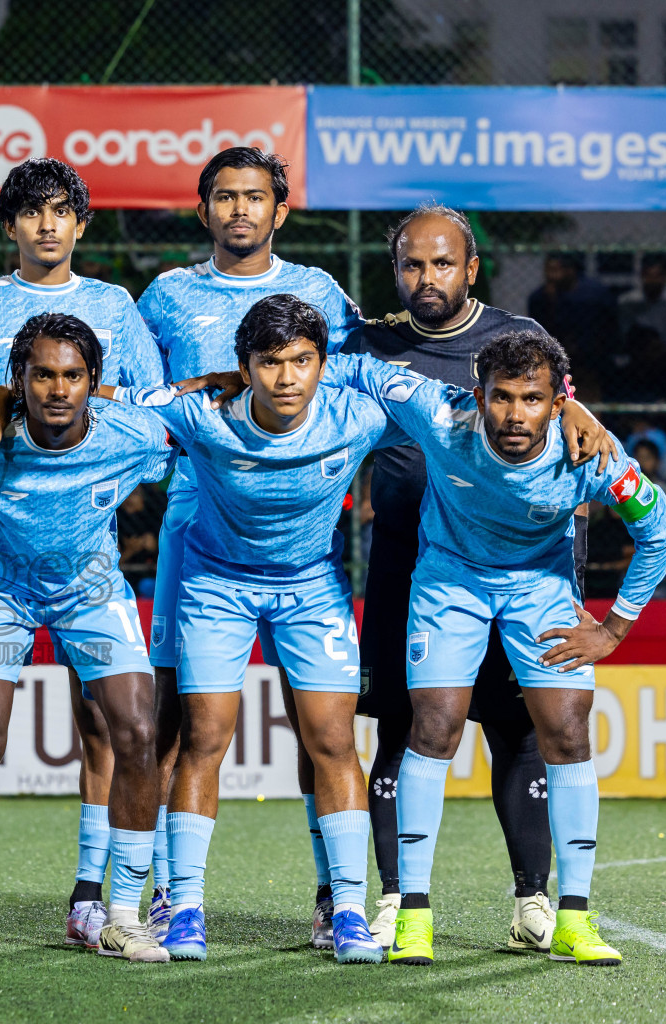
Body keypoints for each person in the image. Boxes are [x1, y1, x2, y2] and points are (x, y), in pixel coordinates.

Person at [326, 333, 666, 967]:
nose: (515, 415)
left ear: (557, 402)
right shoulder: (440, 414)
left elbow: (661, 530)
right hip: (449, 579)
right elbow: (360, 369)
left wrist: (613, 629)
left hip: (539, 587)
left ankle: (572, 915)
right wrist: (252, 376)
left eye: (533, 399)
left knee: (568, 733)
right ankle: (413, 914)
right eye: (502, 398)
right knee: (431, 727)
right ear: (477, 394)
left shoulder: (591, 454)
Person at [0, 157, 164, 946]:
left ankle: (113, 906)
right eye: (31, 212)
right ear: (10, 226)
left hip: (92, 576)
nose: (47, 225)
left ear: (81, 225)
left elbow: (158, 410)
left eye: (62, 212)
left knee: (125, 729)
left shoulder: (114, 306)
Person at [110, 295, 402, 965]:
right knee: (204, 738)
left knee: (331, 739)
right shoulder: (200, 415)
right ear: (245, 367)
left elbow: (457, 412)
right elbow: (102, 403)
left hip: (311, 590)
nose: (288, 377)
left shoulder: (358, 415)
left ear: (323, 364)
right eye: (270, 363)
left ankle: (349, 910)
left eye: (303, 361)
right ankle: (184, 909)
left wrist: (569, 411)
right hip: (216, 587)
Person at [134, 145, 363, 945]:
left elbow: (369, 380)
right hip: (197, 527)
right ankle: (169, 893)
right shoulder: (166, 295)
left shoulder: (321, 294)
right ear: (204, 211)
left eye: (254, 197)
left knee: (323, 728)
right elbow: (133, 392)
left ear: (280, 211)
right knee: (182, 722)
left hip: (301, 523)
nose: (239, 210)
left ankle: (339, 896)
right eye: (224, 197)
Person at [345, 204, 580, 951]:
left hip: (513, 569)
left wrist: (588, 417)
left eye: (442, 263)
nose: (426, 278)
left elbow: (570, 433)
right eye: (411, 264)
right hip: (406, 566)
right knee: (404, 728)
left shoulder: (520, 343)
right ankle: (395, 898)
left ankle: (532, 899)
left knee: (519, 732)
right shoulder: (371, 344)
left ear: (470, 268)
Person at [619, 255, 666, 356]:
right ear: (641, 276)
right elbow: (624, 336)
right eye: (648, 276)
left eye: (658, 276)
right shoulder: (627, 301)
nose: (653, 281)